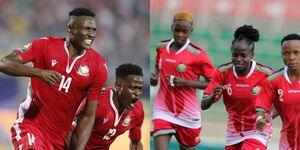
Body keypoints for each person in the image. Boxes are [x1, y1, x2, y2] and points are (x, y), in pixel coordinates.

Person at [0, 8, 107, 150]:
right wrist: (40, 73)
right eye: (86, 29)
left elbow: (89, 115)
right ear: (70, 28)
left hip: (60, 140)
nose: (91, 34)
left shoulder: (98, 65)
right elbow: (4, 63)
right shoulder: (44, 45)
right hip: (31, 127)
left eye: (93, 30)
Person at [201, 25, 274, 150]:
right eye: (235, 55)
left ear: (251, 55)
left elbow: (279, 101)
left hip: (258, 130)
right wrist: (213, 96)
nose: (238, 59)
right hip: (234, 130)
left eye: (243, 55)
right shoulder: (222, 72)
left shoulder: (266, 74)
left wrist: (266, 116)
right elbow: (203, 105)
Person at [150, 11, 215, 150]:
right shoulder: (161, 47)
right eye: (177, 30)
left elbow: (213, 83)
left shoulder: (198, 54)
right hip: (162, 109)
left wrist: (186, 82)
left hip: (188, 114)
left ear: (191, 31)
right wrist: (155, 77)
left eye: (184, 31)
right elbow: (158, 65)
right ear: (172, 27)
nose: (180, 34)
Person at [67, 63, 144, 150]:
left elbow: (136, 142)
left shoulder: (138, 111)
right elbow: (68, 133)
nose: (137, 93)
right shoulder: (96, 102)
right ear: (118, 86)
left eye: (140, 88)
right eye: (133, 88)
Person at [256, 33, 300, 150]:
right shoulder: (273, 81)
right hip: (288, 140)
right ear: (282, 54)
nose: (291, 57)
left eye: (296, 53)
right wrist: (261, 119)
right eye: (287, 53)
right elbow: (263, 109)